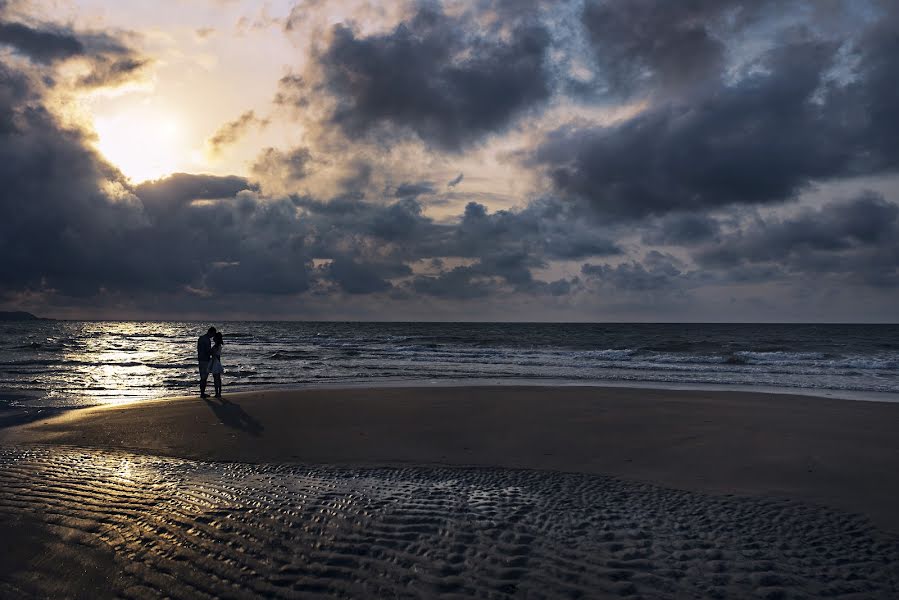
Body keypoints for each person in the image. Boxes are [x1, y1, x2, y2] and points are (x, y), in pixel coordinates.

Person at [197, 326, 216, 399]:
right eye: (213, 334)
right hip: (205, 360)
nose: (213, 336)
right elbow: (208, 351)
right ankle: (202, 393)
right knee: (204, 378)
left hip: (200, 359)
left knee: (202, 377)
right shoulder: (207, 340)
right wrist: (213, 351)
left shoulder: (201, 338)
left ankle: (202, 393)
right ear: (211, 332)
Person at [210, 331, 225, 398]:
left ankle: (217, 393)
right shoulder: (218, 346)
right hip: (217, 362)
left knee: (216, 378)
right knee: (218, 378)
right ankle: (219, 393)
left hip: (215, 362)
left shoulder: (216, 346)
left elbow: (214, 355)